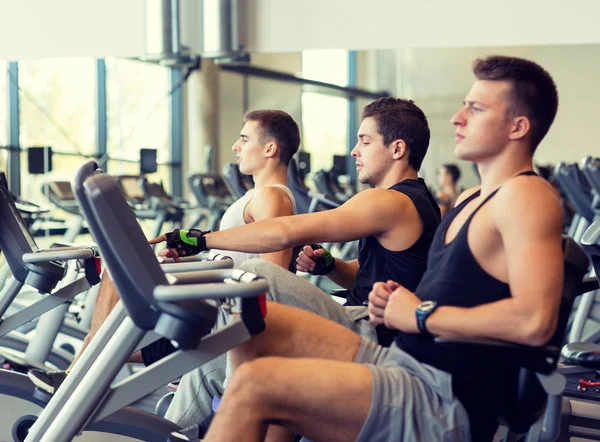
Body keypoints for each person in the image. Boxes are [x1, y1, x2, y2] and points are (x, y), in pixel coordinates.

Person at [199, 55, 563, 442]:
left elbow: (534, 321)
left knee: (256, 377)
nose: (457, 118)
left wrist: (421, 314)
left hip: (440, 398)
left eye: (475, 108)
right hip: (404, 360)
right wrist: (394, 299)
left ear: (518, 126)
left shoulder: (526, 195)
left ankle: (225, 409)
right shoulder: (473, 198)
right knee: (258, 327)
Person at [154, 97, 441, 428]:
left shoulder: (391, 200)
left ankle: (248, 404)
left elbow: (285, 232)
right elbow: (369, 277)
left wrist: (198, 240)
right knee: (207, 362)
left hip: (373, 333)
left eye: (365, 141)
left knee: (257, 274)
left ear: (397, 149)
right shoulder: (412, 200)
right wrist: (330, 266)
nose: (354, 151)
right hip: (360, 318)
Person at [27, 109, 300, 393]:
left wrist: (203, 277)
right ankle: (80, 371)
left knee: (119, 273)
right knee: (118, 277)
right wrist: (194, 260)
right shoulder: (258, 195)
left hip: (223, 313)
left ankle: (77, 374)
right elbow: (244, 256)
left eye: (244, 139)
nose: (235, 146)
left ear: (270, 148)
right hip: (215, 297)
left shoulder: (272, 196)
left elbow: (272, 278)